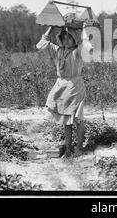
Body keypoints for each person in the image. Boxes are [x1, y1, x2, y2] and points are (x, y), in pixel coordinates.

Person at [36, 25, 92, 158]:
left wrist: (83, 28)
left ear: (74, 39)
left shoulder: (78, 51)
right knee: (66, 121)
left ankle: (79, 147)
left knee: (78, 119)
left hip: (75, 86)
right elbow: (43, 43)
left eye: (69, 38)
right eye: (63, 38)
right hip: (61, 87)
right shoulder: (58, 51)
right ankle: (68, 147)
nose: (66, 40)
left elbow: (87, 45)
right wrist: (51, 27)